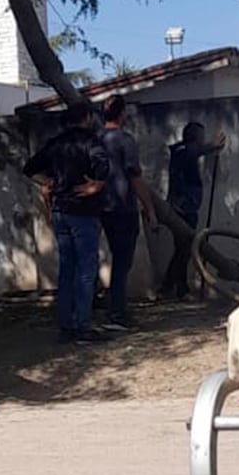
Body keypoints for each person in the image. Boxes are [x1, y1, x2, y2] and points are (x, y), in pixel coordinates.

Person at [24, 102, 110, 342]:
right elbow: (103, 164)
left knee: (67, 270)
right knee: (85, 270)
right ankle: (83, 326)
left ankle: (66, 326)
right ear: (87, 117)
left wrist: (46, 183)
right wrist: (98, 184)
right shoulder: (90, 141)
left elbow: (29, 168)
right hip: (83, 211)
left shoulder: (57, 143)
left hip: (60, 210)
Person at [99, 95, 154, 331]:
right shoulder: (125, 140)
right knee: (122, 262)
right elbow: (135, 176)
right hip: (122, 206)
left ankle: (102, 308)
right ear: (122, 114)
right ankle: (117, 313)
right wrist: (149, 207)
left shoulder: (95, 139)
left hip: (98, 207)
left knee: (94, 260)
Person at [160, 120, 225, 300]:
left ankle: (175, 288)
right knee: (184, 249)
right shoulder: (182, 152)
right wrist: (212, 146)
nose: (202, 140)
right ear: (195, 137)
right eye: (201, 137)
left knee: (183, 250)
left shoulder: (184, 152)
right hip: (182, 208)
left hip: (187, 207)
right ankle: (173, 288)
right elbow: (193, 152)